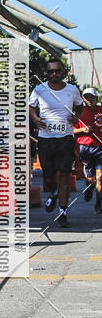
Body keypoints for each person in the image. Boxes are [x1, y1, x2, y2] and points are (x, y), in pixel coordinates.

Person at [29, 58, 83, 227]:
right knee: (49, 177)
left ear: (63, 72)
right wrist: (36, 119)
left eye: (57, 71)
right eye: (51, 71)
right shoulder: (39, 89)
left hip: (65, 138)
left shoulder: (72, 90)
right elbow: (30, 106)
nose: (54, 74)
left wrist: (76, 117)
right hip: (46, 139)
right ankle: (53, 193)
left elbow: (80, 106)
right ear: (47, 73)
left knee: (64, 176)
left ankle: (63, 212)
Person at [73, 87, 102, 213]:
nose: (89, 100)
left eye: (92, 97)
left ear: (97, 98)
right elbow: (71, 131)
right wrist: (82, 130)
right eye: (87, 97)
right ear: (83, 99)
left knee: (100, 179)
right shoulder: (79, 113)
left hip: (100, 148)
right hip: (86, 149)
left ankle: (99, 204)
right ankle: (90, 187)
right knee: (91, 180)